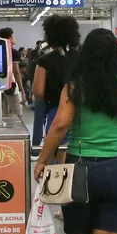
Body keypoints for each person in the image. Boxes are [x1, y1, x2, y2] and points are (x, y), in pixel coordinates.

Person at [34, 28, 117, 234]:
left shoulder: (75, 86)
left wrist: (42, 160)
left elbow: (60, 125)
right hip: (116, 169)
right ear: (115, 54)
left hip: (80, 167)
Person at [32, 14, 80, 147]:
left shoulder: (45, 60)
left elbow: (38, 92)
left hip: (56, 112)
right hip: (82, 114)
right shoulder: (83, 58)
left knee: (56, 158)